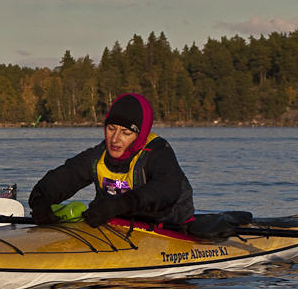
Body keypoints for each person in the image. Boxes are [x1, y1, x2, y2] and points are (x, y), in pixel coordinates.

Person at [28, 92, 194, 228]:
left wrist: (119, 205)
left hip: (169, 228)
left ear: (140, 135)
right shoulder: (97, 156)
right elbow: (63, 178)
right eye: (111, 129)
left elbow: (167, 189)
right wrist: (40, 201)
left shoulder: (158, 152)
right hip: (117, 229)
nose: (115, 139)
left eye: (126, 133)